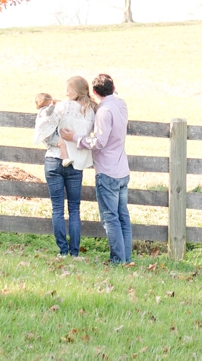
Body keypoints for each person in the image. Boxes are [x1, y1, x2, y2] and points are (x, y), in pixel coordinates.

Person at [64, 72, 130, 264]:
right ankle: (126, 257)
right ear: (113, 87)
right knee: (123, 216)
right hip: (122, 168)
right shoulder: (121, 105)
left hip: (107, 171)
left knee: (110, 218)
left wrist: (75, 138)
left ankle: (118, 259)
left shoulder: (103, 112)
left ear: (94, 91)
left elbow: (99, 142)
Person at [35, 76, 97, 257]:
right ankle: (74, 252)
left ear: (77, 91)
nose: (66, 93)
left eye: (69, 89)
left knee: (57, 208)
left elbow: (45, 125)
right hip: (76, 163)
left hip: (55, 160)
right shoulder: (92, 111)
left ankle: (62, 251)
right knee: (75, 209)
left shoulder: (63, 106)